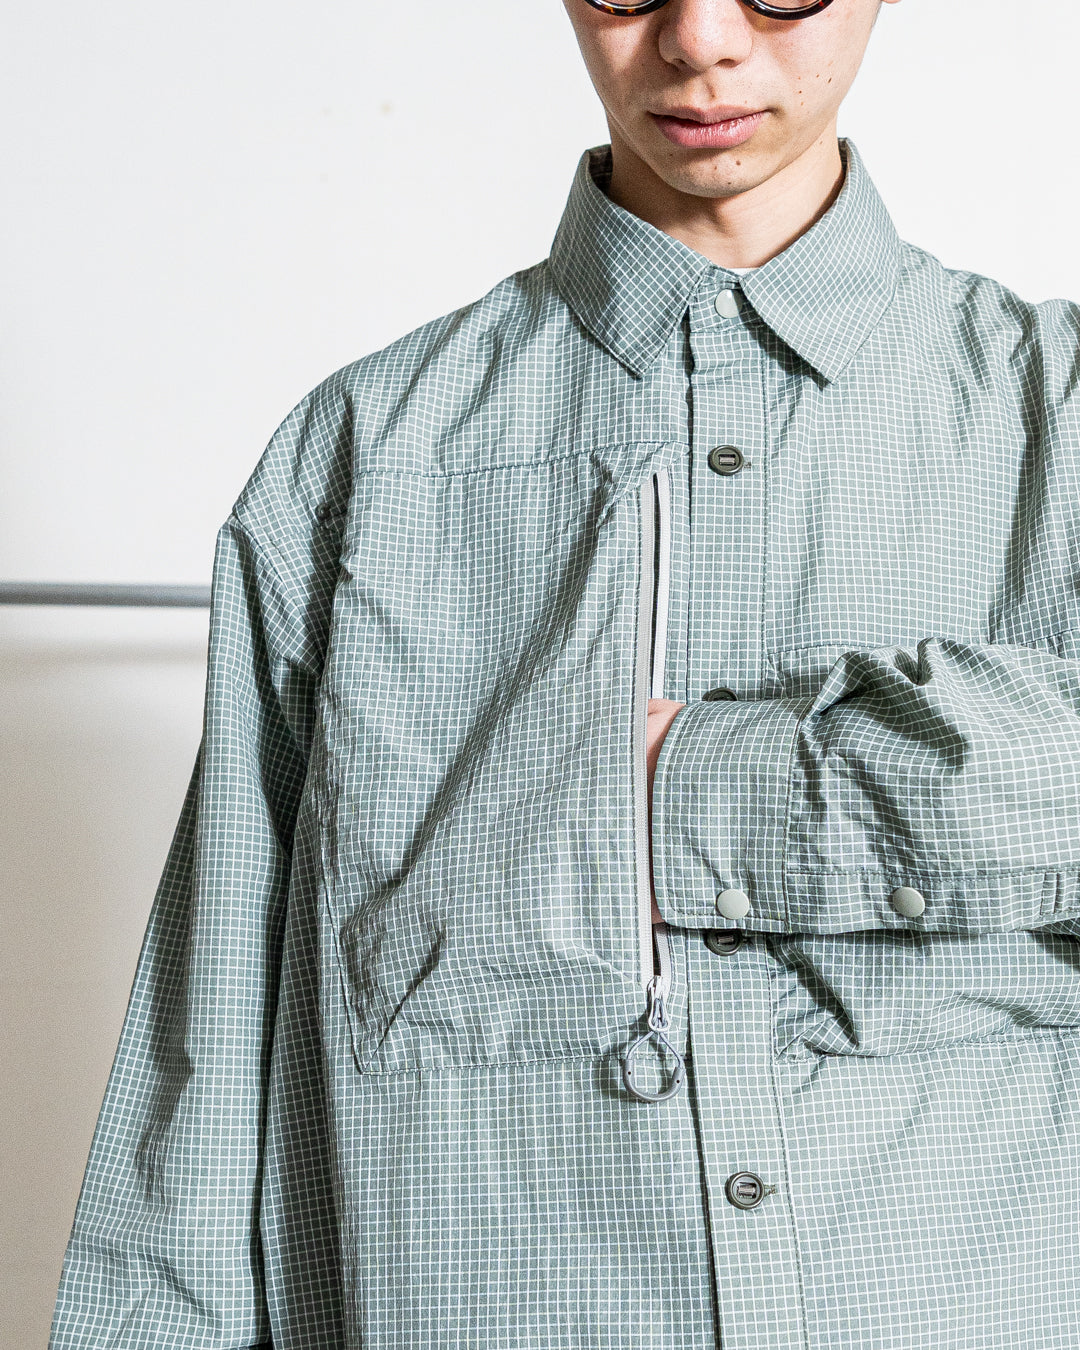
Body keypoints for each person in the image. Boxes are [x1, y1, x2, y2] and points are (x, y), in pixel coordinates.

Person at [49, 1, 1080, 1346]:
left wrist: (701, 780)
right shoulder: (360, 461)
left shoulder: (1057, 418)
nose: (700, 38)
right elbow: (209, 1056)